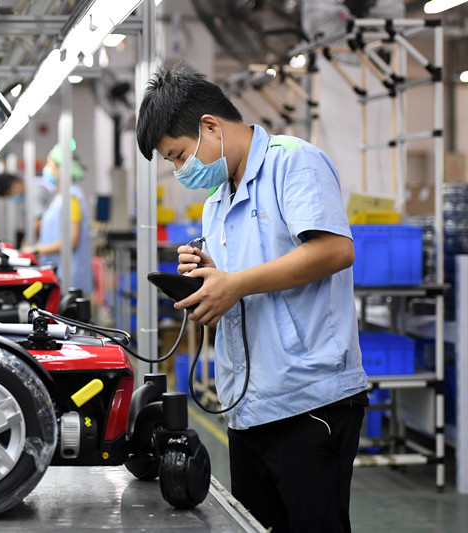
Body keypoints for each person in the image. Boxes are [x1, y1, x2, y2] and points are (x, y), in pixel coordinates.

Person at [136, 63, 368, 533]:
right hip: (248, 404)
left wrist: (236, 283)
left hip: (309, 401)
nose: (180, 170)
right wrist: (211, 283)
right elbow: (243, 281)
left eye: (179, 156)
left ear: (210, 127)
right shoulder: (217, 201)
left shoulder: (293, 162)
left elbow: (336, 249)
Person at [24, 144, 93, 295]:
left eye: (50, 163)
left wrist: (37, 249)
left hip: (69, 278)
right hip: (58, 273)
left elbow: (72, 240)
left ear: (62, 168)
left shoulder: (72, 198)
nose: (47, 168)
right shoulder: (59, 197)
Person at [0, 172, 55, 247]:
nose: (12, 197)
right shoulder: (30, 189)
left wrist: (30, 243)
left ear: (15, 184)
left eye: (10, 194)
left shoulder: (33, 194)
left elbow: (38, 223)